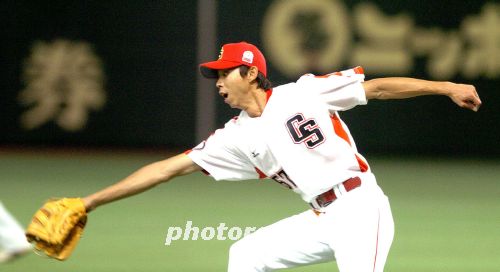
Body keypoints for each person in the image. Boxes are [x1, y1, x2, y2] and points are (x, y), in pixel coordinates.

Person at [80, 42, 481, 271]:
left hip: (361, 206)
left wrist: (446, 86)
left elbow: (375, 89)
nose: (218, 82)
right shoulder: (234, 137)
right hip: (322, 216)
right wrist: (89, 202)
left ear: (251, 73)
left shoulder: (303, 93)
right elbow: (166, 169)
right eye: (216, 76)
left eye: (225, 73)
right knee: (246, 253)